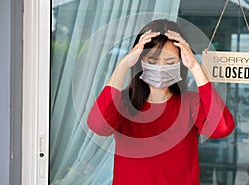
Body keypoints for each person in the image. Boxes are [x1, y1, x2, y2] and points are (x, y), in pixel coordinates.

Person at [87, 19, 235, 185]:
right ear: (139, 61)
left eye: (170, 62)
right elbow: (98, 125)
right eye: (152, 61)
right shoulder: (122, 103)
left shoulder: (190, 103)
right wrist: (123, 65)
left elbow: (222, 128)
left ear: (180, 64)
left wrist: (195, 66)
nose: (160, 68)